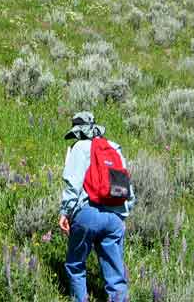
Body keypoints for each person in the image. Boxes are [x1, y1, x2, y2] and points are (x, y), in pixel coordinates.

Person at [59, 111, 135, 302]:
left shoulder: (79, 147)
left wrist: (65, 212)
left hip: (88, 214)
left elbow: (73, 184)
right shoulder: (114, 148)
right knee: (116, 275)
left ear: (78, 131)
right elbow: (128, 188)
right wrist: (122, 215)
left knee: (76, 265)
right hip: (114, 217)